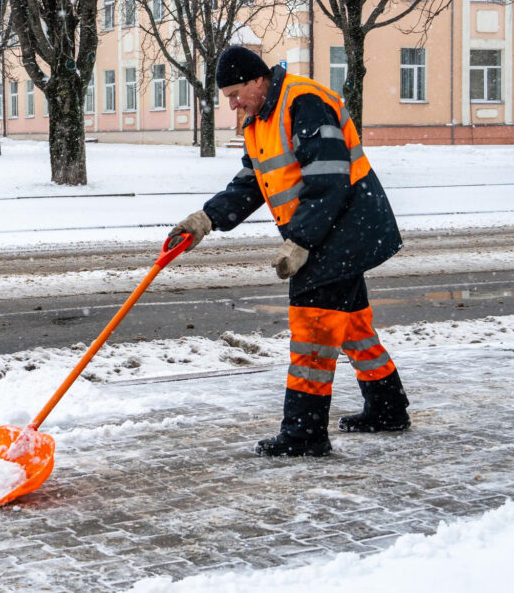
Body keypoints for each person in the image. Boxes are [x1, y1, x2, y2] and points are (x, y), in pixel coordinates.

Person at [170, 46, 410, 457]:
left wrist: (300, 241)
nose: (233, 105)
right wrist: (205, 220)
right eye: (227, 98)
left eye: (235, 94)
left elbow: (329, 180)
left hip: (343, 228)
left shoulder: (304, 103)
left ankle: (305, 434)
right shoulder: (259, 121)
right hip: (327, 231)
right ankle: (387, 408)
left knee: (312, 330)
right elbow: (251, 182)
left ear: (258, 79)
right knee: (351, 325)